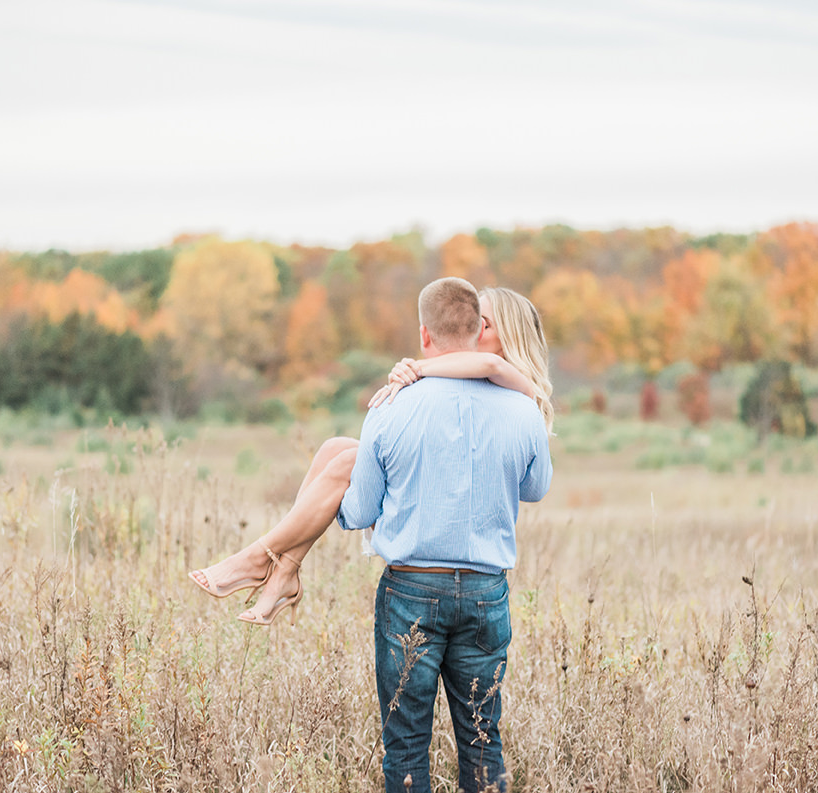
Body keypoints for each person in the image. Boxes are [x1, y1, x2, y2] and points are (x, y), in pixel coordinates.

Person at [188, 284, 553, 627]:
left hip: (438, 545)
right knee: (334, 449)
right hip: (443, 533)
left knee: (346, 459)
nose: (471, 330)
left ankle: (258, 558)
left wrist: (420, 366)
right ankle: (284, 569)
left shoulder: (518, 393)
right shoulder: (470, 387)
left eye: (483, 324)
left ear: (510, 338)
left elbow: (492, 369)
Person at [338, 277, 552, 793]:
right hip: (484, 592)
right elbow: (535, 488)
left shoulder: (390, 405)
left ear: (424, 335)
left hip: (411, 588)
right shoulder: (523, 408)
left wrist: (344, 496)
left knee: (406, 741)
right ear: (478, 329)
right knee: (483, 739)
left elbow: (360, 508)